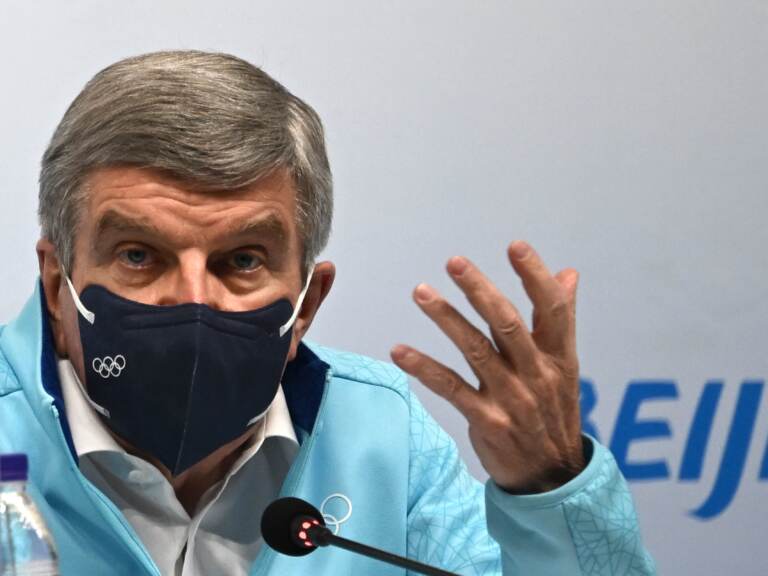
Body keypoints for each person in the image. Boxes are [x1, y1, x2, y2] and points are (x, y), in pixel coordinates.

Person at [0, 50, 655, 575]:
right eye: (139, 255)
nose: (194, 298)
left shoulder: (380, 434)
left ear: (308, 302)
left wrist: (552, 493)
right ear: (58, 282)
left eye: (243, 260)